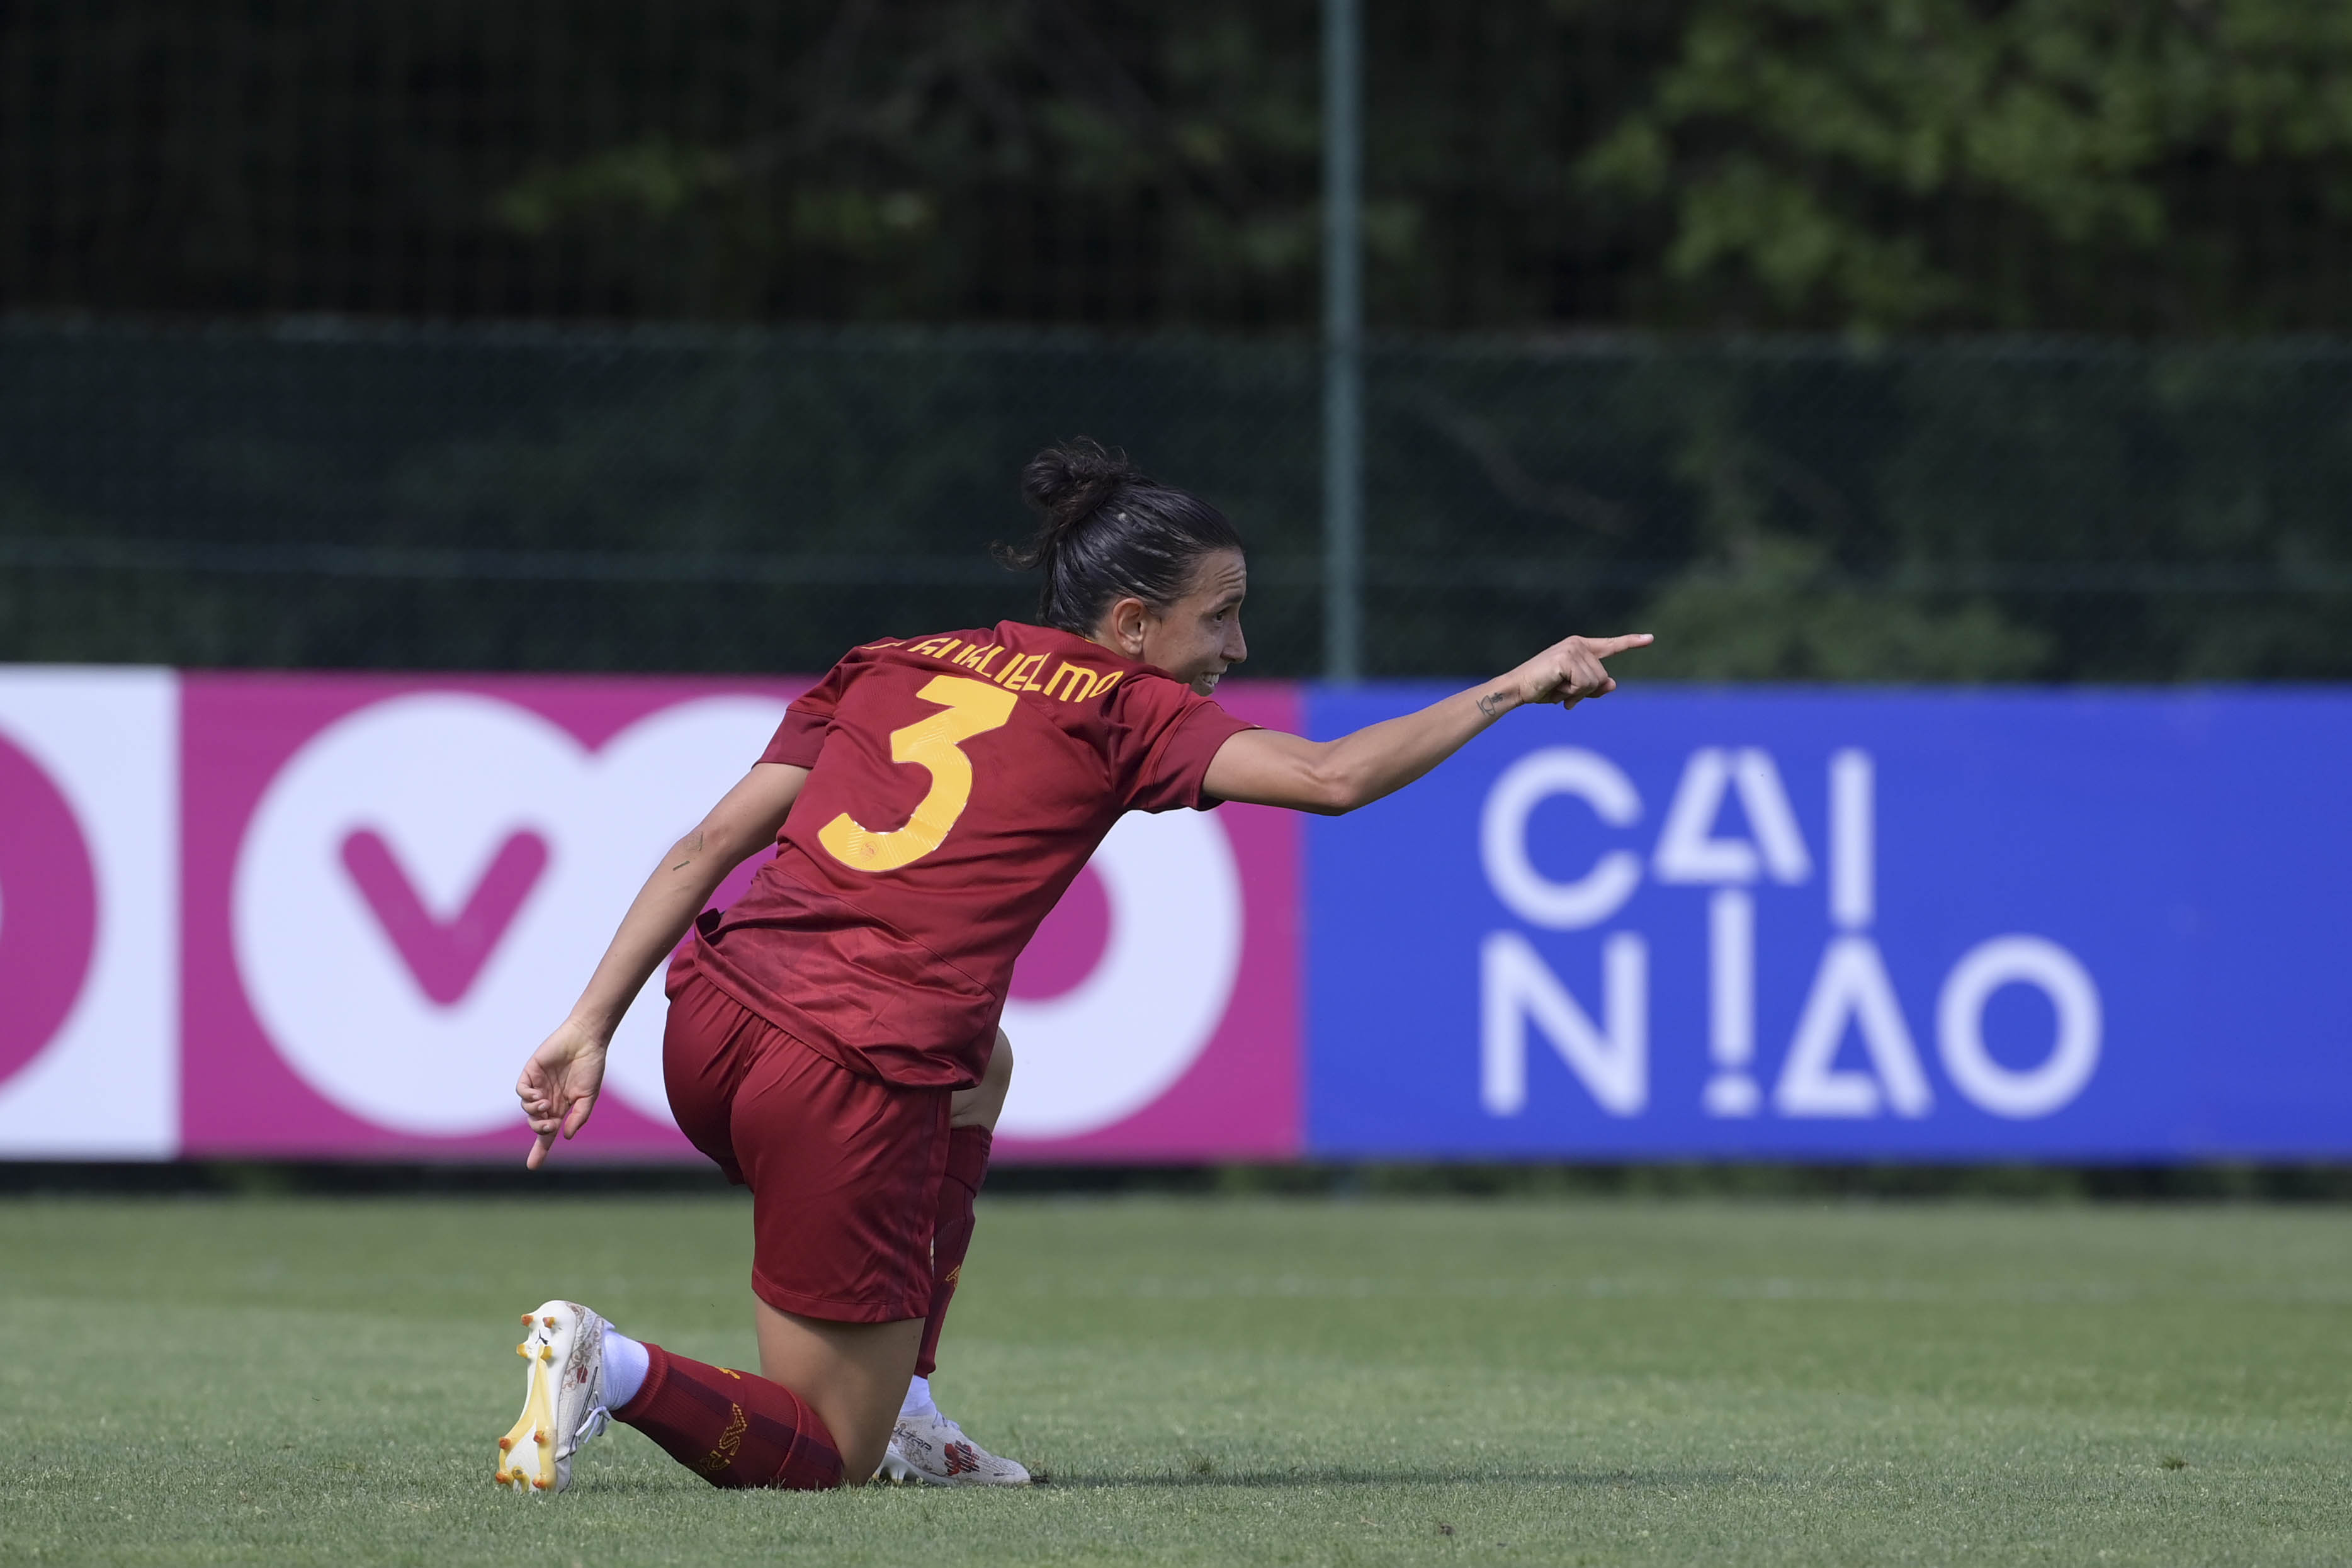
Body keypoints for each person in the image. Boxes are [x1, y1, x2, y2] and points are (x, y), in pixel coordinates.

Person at [494, 441, 1652, 1494]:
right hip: (840, 1070)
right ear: (1137, 623)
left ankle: (914, 1413)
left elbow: (706, 846)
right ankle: (616, 1365)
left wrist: (589, 1023)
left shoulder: (895, 661)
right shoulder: (1125, 703)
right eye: (1223, 619)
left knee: (980, 1064)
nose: (1238, 650)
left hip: (708, 1020)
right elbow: (1332, 777)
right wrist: (1519, 684)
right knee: (820, 1455)